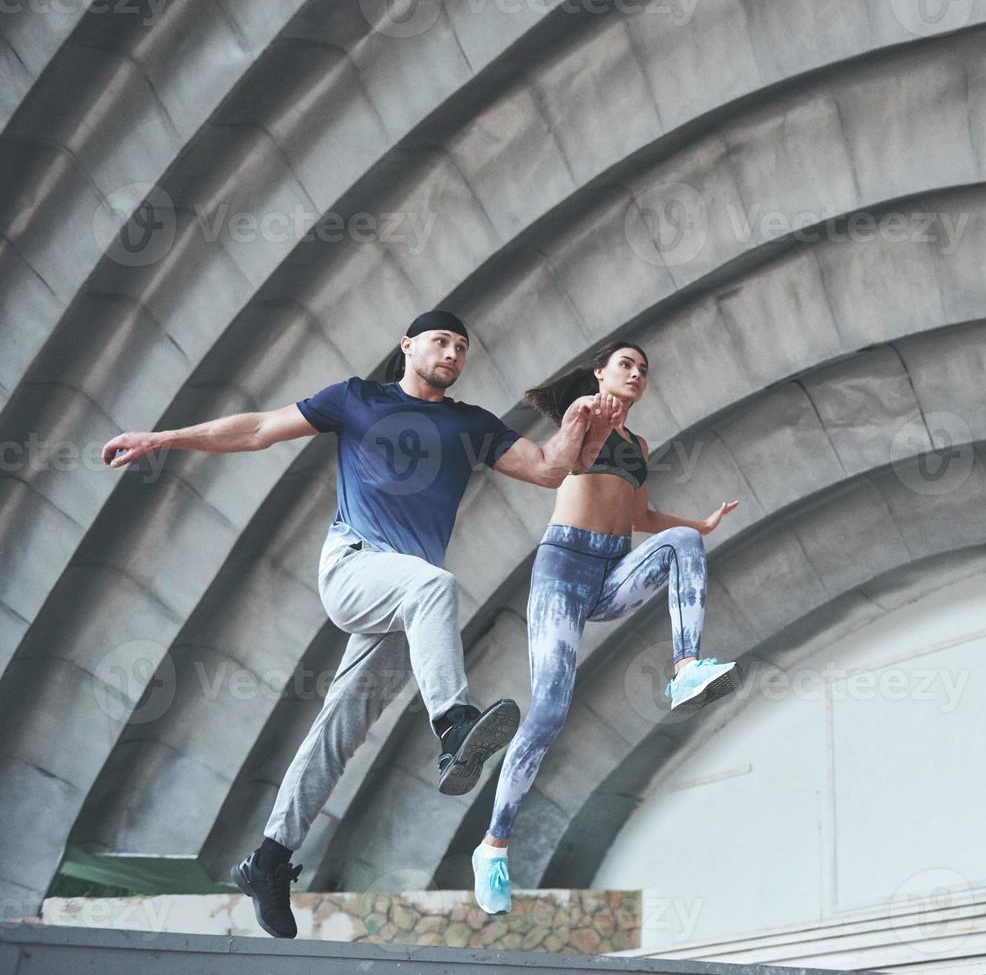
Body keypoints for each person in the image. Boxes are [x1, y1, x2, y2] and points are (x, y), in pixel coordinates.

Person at [102, 310, 624, 939]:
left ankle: (268, 861)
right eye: (441, 341)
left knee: (340, 729)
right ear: (408, 346)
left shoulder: (472, 425)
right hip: (356, 566)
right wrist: (162, 439)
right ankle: (455, 725)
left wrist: (586, 434)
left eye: (462, 347)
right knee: (435, 584)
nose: (453, 353)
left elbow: (548, 469)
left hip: (400, 604)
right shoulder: (355, 399)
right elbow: (260, 428)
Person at [470, 340, 741, 916]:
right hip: (563, 570)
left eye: (644, 369)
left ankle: (687, 669)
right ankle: (493, 848)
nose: (637, 373)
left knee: (684, 543)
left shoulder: (639, 444)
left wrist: (700, 524)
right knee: (548, 711)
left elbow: (641, 518)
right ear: (600, 372)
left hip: (614, 568)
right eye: (627, 365)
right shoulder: (583, 414)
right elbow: (558, 466)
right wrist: (588, 422)